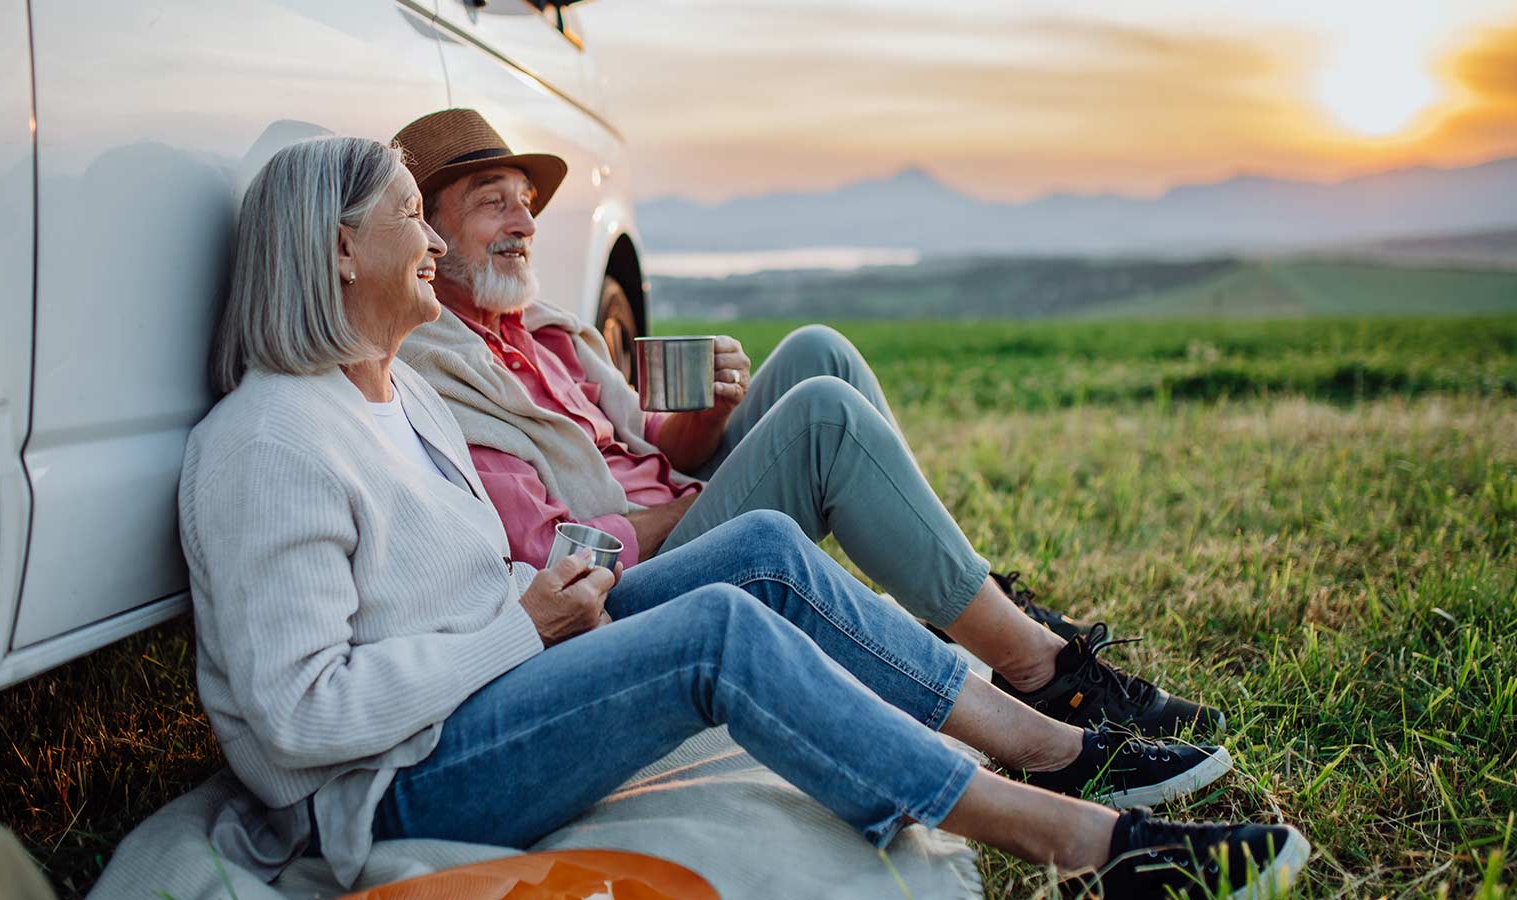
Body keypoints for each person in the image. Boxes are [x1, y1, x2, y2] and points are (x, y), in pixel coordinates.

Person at [178, 136, 1309, 898]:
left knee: (761, 548)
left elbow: (478, 575)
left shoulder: (400, 391)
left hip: (496, 681)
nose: (429, 242)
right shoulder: (268, 444)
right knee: (717, 634)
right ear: (336, 248)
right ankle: (1083, 844)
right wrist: (521, 628)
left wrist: (545, 609)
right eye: (409, 220)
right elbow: (296, 717)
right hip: (400, 778)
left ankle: (1047, 744)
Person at [394, 109, 1217, 739]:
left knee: (818, 352)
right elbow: (555, 558)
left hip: (680, 509)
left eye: (527, 203)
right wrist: (693, 502)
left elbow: (648, 452)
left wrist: (708, 416)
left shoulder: (544, 330)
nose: (526, 223)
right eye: (492, 203)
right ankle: (1041, 672)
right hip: (636, 587)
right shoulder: (442, 374)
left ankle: (970, 593)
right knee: (821, 423)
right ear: (426, 229)